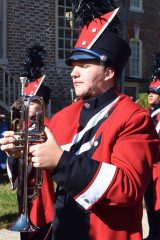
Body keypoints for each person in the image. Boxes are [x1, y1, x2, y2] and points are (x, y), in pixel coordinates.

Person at [0, 1, 160, 240]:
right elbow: (39, 177)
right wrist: (20, 156)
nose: (73, 72)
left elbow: (129, 188)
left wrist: (61, 161)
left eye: (84, 65)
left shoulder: (134, 118)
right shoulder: (65, 116)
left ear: (109, 72)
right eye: (73, 65)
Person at [143, 52, 160, 240]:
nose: (150, 95)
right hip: (150, 168)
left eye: (154, 93)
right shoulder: (149, 114)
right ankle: (154, 233)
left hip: (159, 168)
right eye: (149, 92)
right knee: (149, 203)